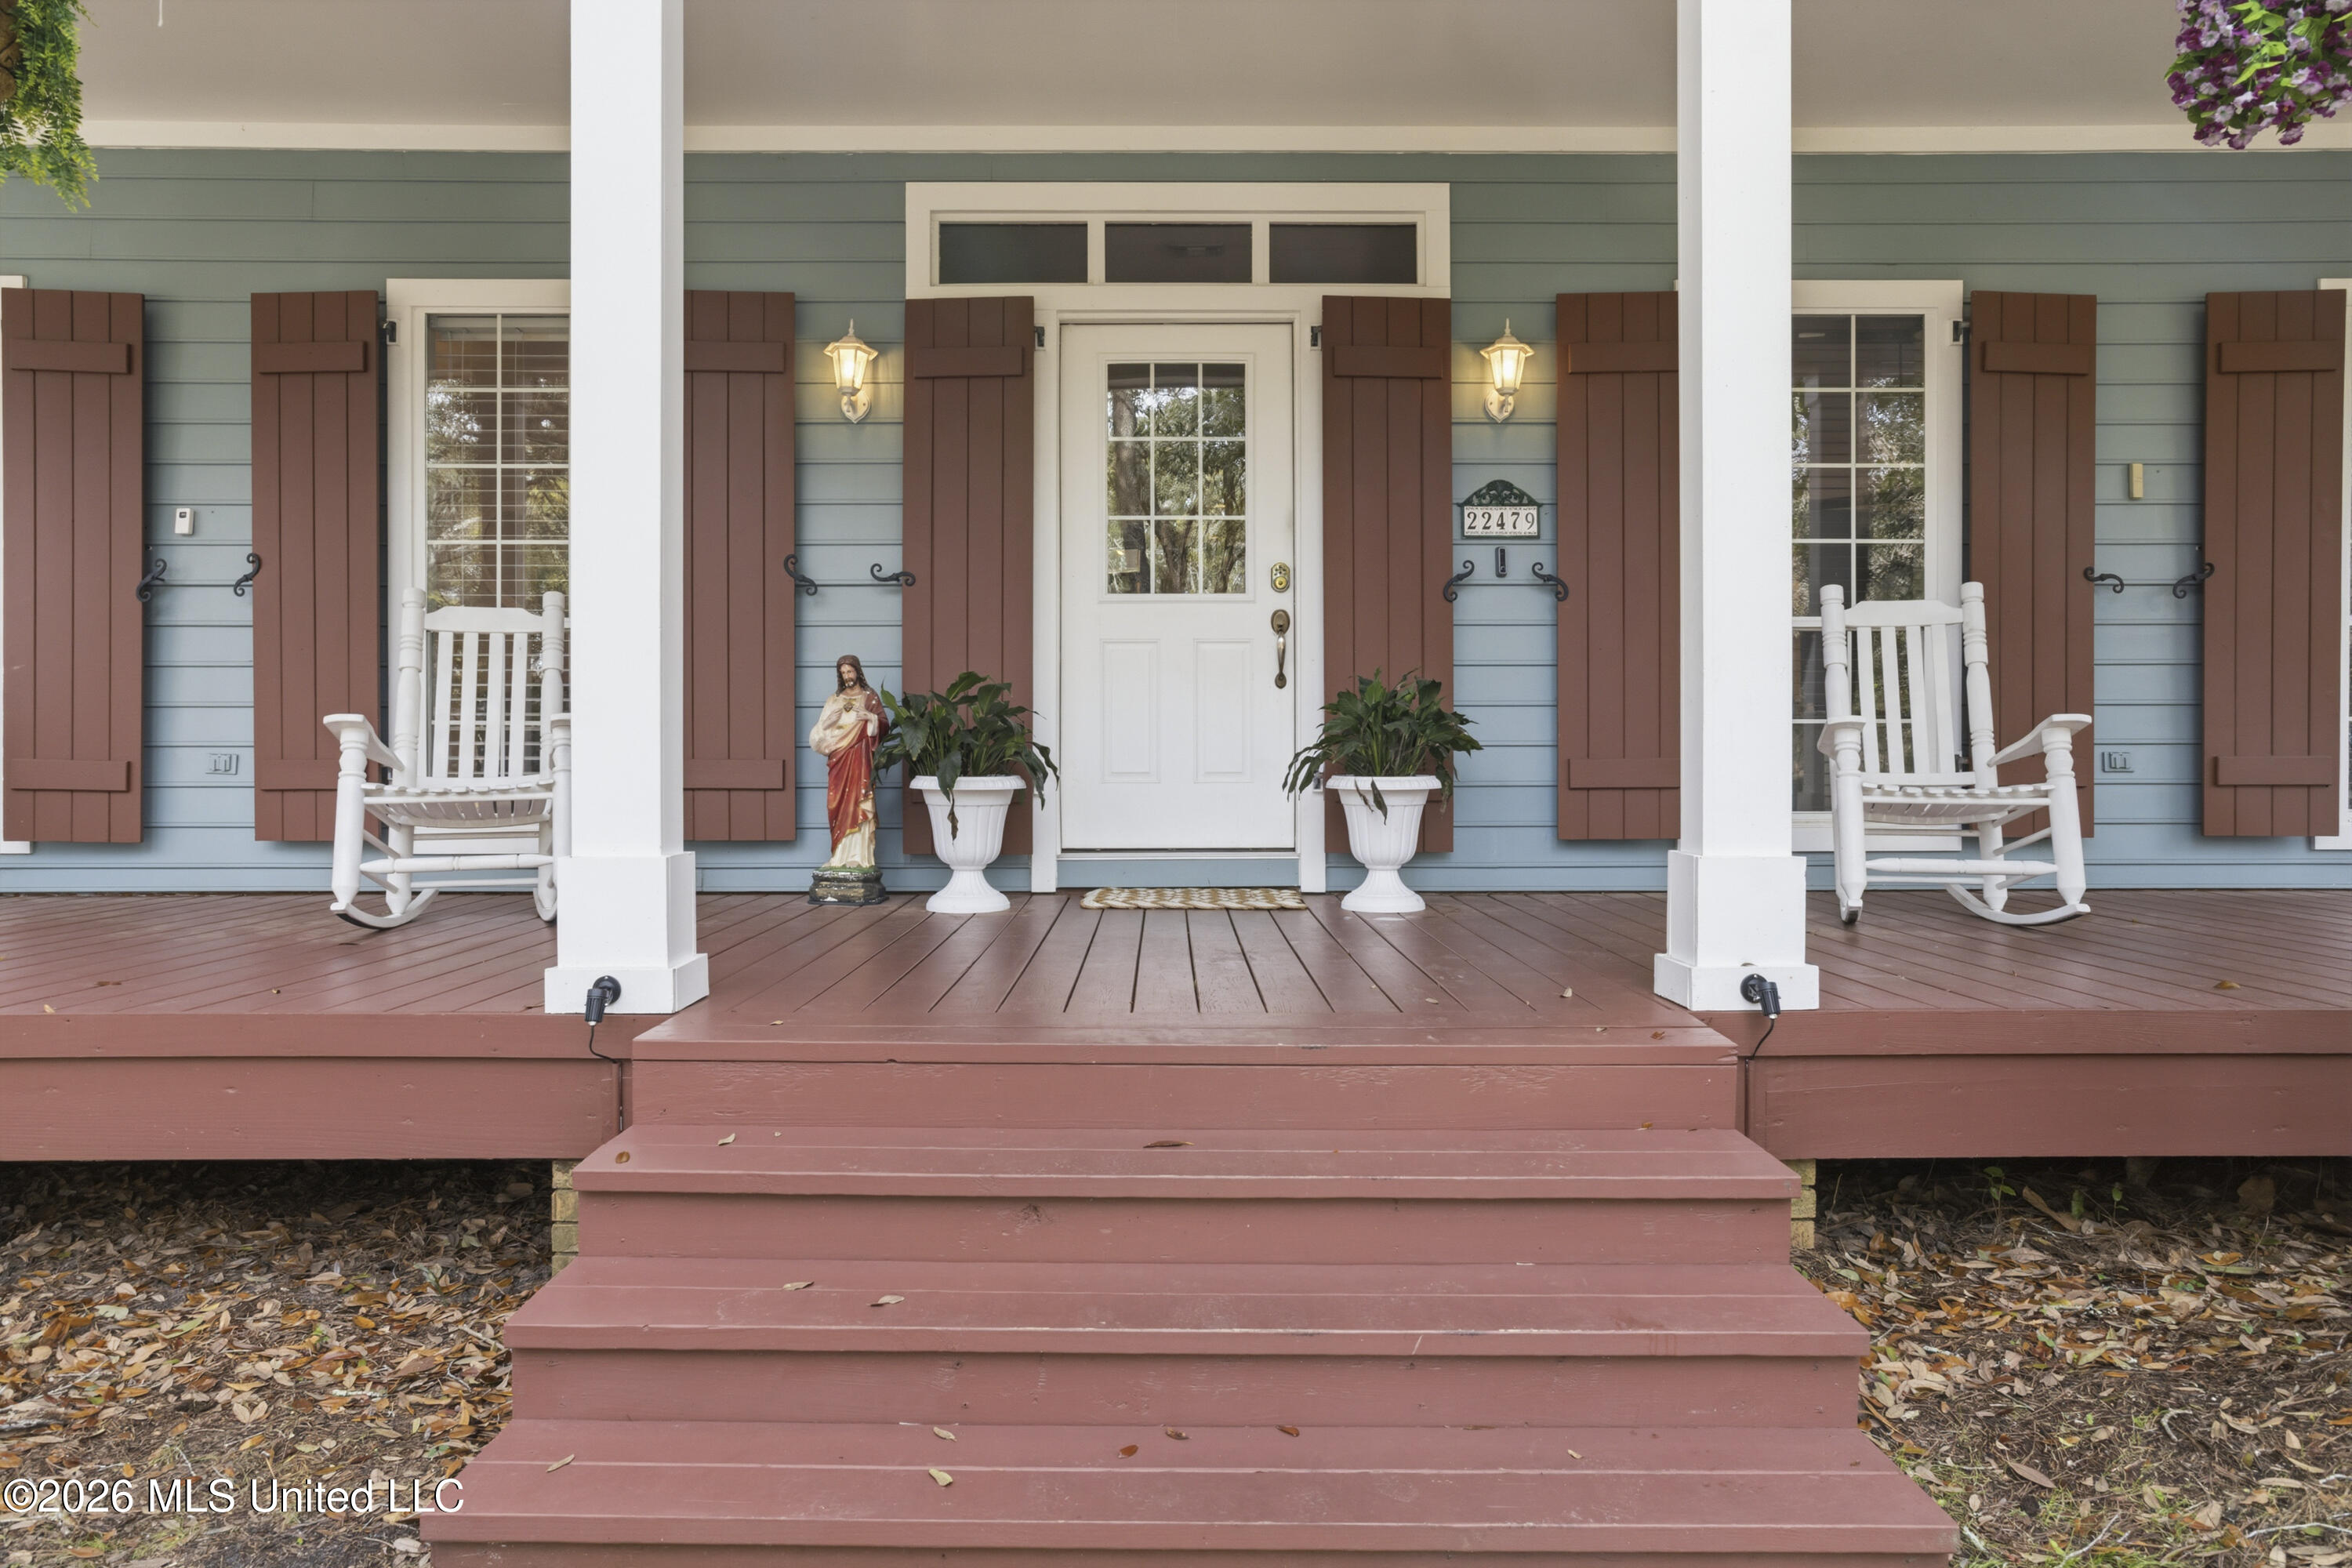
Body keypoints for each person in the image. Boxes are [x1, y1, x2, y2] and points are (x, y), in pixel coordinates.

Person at [810, 654, 887, 870]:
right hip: (839, 760)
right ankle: (839, 856)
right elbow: (817, 737)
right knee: (838, 805)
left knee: (858, 802)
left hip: (860, 759)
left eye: (850, 672)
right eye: (843, 673)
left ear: (858, 671)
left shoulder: (869, 697)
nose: (847, 676)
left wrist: (870, 719)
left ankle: (860, 857)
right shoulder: (833, 700)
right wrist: (827, 723)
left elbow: (883, 725)